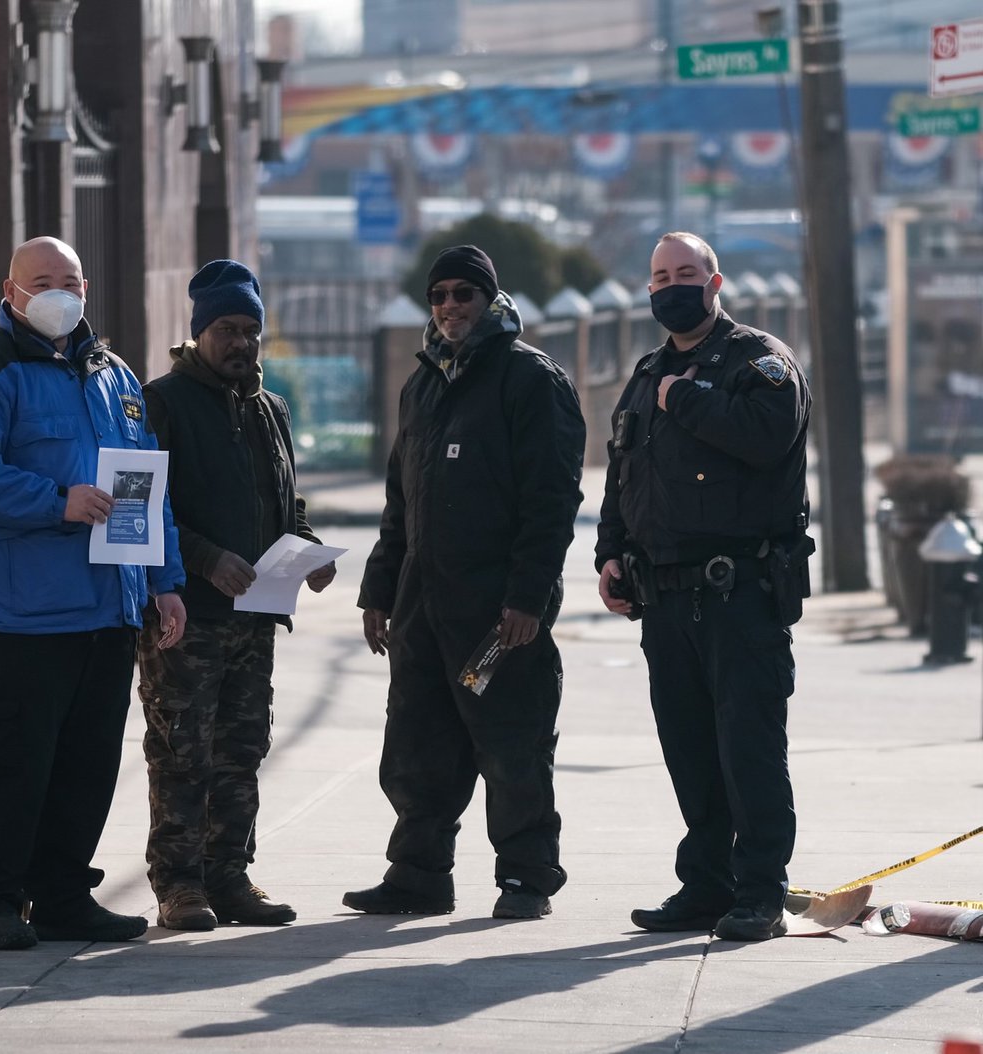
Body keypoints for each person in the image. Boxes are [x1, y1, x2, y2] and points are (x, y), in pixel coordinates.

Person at [0, 236, 188, 951]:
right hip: (24, 612)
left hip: (109, 608)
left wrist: (165, 582)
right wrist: (56, 502)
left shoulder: (112, 373)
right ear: (9, 288)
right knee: (16, 763)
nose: (58, 292)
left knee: (87, 762)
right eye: (42, 280)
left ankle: (66, 895)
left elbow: (146, 483)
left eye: (69, 280)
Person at [345, 244, 587, 921]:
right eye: (440, 295)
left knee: (512, 743)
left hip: (497, 614)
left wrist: (527, 599)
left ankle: (526, 877)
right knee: (418, 744)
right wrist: (379, 592)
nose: (451, 306)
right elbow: (402, 503)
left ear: (490, 299)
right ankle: (418, 874)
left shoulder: (529, 380)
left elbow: (552, 501)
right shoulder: (422, 384)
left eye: (464, 294)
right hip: (425, 609)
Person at [595, 231, 812, 942]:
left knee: (747, 750)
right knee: (689, 751)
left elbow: (764, 439)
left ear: (715, 284)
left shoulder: (760, 363)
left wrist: (685, 402)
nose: (671, 286)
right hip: (665, 598)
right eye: (660, 277)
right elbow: (621, 471)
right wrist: (611, 554)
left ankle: (758, 893)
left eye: (686, 273)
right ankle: (706, 886)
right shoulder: (648, 369)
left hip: (740, 594)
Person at [137, 259, 335, 931]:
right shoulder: (161, 402)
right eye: (226, 328)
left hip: (254, 618)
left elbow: (286, 502)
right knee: (181, 749)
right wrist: (204, 558)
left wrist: (306, 549)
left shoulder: (269, 409)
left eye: (251, 329)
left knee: (242, 752)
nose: (241, 342)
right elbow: (143, 507)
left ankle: (230, 876)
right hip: (185, 615)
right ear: (198, 333)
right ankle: (179, 885)